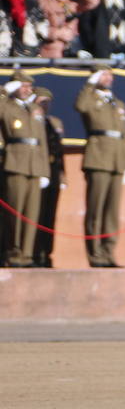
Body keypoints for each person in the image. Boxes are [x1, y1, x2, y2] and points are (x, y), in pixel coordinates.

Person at [74, 66, 125, 268]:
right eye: (103, 74)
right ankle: (95, 253)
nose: (108, 78)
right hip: (98, 158)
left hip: (116, 160)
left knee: (112, 212)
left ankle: (109, 253)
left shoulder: (118, 104)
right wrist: (90, 83)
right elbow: (81, 106)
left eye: (110, 75)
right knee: (95, 209)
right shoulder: (90, 98)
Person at [0, 73, 48, 268]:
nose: (28, 89)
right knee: (15, 212)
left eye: (29, 86)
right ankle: (13, 253)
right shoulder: (7, 107)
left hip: (34, 165)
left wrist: (45, 171)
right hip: (16, 162)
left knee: (31, 213)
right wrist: (4, 91)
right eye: (23, 86)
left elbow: (42, 142)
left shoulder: (35, 109)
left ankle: (27, 255)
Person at [31, 87, 63, 268]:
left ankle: (45, 254)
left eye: (47, 102)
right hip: (34, 171)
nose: (45, 105)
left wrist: (62, 174)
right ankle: (32, 253)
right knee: (35, 215)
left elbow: (59, 151)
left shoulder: (54, 122)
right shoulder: (30, 120)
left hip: (52, 172)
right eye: (41, 101)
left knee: (49, 217)